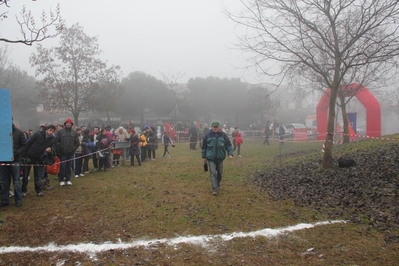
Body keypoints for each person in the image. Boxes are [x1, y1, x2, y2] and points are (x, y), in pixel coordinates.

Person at [201, 121, 234, 196]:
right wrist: (204, 156)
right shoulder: (207, 135)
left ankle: (217, 183)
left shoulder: (223, 135)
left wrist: (230, 153)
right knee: (212, 173)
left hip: (220, 158)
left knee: (220, 172)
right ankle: (214, 189)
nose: (215, 128)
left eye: (216, 127)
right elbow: (204, 147)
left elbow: (228, 145)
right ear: (212, 127)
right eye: (214, 127)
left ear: (218, 127)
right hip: (210, 158)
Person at [23, 124, 56, 196]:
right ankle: (23, 190)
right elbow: (28, 143)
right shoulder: (38, 134)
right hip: (29, 156)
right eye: (50, 130)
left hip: (39, 159)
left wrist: (50, 150)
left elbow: (54, 149)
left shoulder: (52, 140)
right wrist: (24, 155)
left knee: (37, 176)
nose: (51, 132)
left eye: (52, 131)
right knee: (25, 175)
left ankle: (38, 191)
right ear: (47, 129)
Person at [0, 123, 26, 207]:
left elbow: (24, 145)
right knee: (4, 181)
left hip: (15, 160)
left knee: (16, 181)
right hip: (3, 160)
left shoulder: (19, 133)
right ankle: (4, 200)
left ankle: (18, 200)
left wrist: (17, 153)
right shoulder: (2, 132)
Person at [55, 118, 80, 186]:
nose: (68, 124)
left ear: (71, 124)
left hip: (70, 153)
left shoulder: (74, 133)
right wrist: (60, 148)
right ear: (65, 124)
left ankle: (68, 179)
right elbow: (56, 141)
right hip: (62, 153)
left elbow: (77, 142)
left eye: (70, 123)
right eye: (67, 123)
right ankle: (61, 179)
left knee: (69, 166)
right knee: (63, 166)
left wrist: (73, 149)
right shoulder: (60, 132)